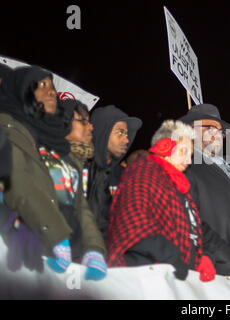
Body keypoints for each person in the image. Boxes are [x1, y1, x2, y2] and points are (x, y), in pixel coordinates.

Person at [0, 66, 106, 280]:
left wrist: (94, 248)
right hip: (28, 248)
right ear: (21, 91)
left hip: (64, 252)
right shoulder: (9, 130)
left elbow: (78, 204)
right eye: (40, 85)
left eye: (51, 86)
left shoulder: (55, 144)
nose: (50, 92)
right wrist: (56, 234)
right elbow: (18, 183)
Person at [106, 120, 216, 282]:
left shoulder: (178, 186)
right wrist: (171, 256)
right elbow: (135, 222)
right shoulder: (143, 172)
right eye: (183, 152)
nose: (189, 161)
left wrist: (201, 257)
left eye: (190, 155)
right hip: (143, 277)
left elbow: (188, 230)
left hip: (171, 277)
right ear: (164, 147)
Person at [179, 103, 230, 279]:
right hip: (216, 269)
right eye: (209, 128)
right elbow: (187, 220)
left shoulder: (225, 169)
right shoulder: (186, 165)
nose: (217, 134)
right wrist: (219, 255)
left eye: (219, 130)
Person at [86, 105, 142, 239]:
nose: (127, 140)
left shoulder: (124, 177)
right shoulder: (80, 169)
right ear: (102, 132)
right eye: (120, 132)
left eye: (127, 134)